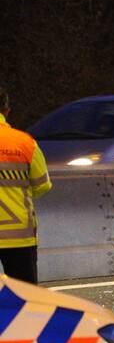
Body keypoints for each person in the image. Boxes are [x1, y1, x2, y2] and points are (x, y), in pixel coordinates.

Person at [0, 88, 52, 284]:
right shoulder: (25, 143)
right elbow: (43, 184)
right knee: (24, 297)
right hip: (19, 235)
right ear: (7, 110)